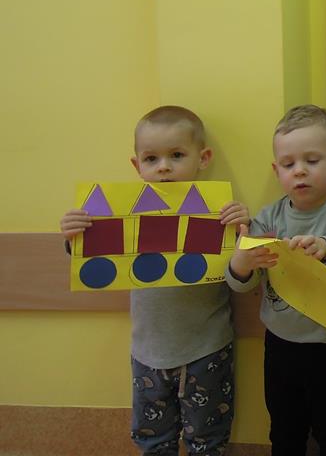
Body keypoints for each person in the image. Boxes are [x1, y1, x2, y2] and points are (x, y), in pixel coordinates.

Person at [60, 105, 248, 456]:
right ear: (137, 165)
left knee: (207, 442)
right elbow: (98, 264)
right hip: (148, 353)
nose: (163, 167)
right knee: (153, 441)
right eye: (151, 158)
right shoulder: (125, 214)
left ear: (203, 158)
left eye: (176, 155)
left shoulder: (222, 214)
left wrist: (242, 237)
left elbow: (241, 283)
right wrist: (76, 239)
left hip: (207, 351)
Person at [226, 105, 326, 456]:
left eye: (312, 160)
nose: (299, 171)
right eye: (288, 164)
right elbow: (240, 285)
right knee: (284, 429)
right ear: (276, 170)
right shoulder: (269, 217)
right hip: (280, 346)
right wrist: (241, 261)